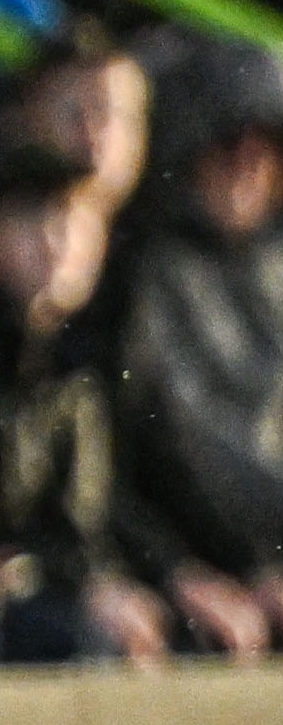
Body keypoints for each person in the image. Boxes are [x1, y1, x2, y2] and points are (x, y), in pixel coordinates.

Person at [0, 129, 231, 664]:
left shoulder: (71, 358)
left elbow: (90, 515)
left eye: (76, 218)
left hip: (41, 577)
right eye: (33, 217)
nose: (58, 240)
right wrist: (83, 588)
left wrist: (172, 577)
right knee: (74, 641)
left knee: (187, 634)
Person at [117, 33, 283, 633]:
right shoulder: (143, 275)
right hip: (210, 555)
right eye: (228, 146)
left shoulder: (275, 265)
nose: (248, 167)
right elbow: (180, 445)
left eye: (266, 149)